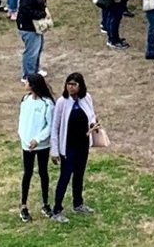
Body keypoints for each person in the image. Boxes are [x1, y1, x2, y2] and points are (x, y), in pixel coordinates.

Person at [50, 73, 98, 221]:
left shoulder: (86, 98)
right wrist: (55, 150)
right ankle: (57, 209)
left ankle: (78, 203)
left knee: (79, 174)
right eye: (68, 84)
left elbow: (91, 116)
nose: (70, 87)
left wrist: (93, 124)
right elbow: (56, 126)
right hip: (68, 146)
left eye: (74, 84)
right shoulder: (62, 102)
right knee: (65, 176)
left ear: (80, 86)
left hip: (82, 145)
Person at [18, 72, 55, 222]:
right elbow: (22, 120)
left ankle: (45, 204)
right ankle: (23, 206)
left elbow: (49, 126)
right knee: (27, 173)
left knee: (43, 172)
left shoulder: (47, 103)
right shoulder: (25, 100)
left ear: (33, 85)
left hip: (41, 146)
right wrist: (24, 138)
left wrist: (37, 139)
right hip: (27, 145)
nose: (24, 84)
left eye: (27, 82)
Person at [16, 0, 49, 81]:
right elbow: (26, 10)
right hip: (28, 27)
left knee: (38, 48)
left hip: (35, 25)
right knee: (31, 51)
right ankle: (28, 75)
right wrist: (41, 14)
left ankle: (35, 70)